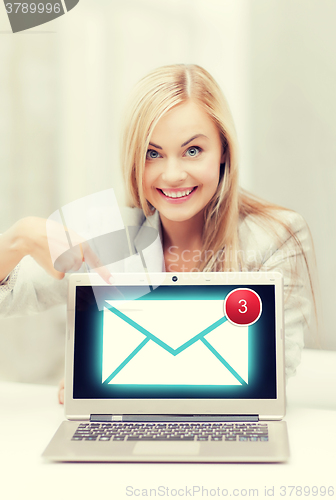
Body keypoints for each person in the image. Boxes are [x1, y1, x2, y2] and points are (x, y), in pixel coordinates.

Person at [0, 64, 317, 403]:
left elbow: (273, 370)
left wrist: (111, 379)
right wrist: (18, 240)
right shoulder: (109, 236)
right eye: (153, 154)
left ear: (224, 150)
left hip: (226, 432)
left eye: (192, 150)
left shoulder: (275, 236)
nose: (173, 174)